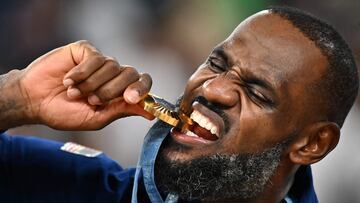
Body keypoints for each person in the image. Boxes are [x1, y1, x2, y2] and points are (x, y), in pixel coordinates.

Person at [0, 6, 358, 203]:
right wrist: (18, 98)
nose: (214, 89)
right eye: (216, 64)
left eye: (257, 92)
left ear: (312, 144)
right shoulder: (81, 189)